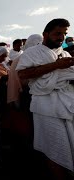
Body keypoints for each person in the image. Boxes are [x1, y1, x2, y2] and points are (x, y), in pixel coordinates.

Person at [17, 18, 74, 179]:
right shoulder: (32, 53)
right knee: (54, 147)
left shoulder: (65, 53)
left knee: (70, 141)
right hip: (45, 104)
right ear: (45, 34)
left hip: (67, 101)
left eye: (64, 34)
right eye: (57, 33)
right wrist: (57, 66)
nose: (61, 37)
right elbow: (23, 75)